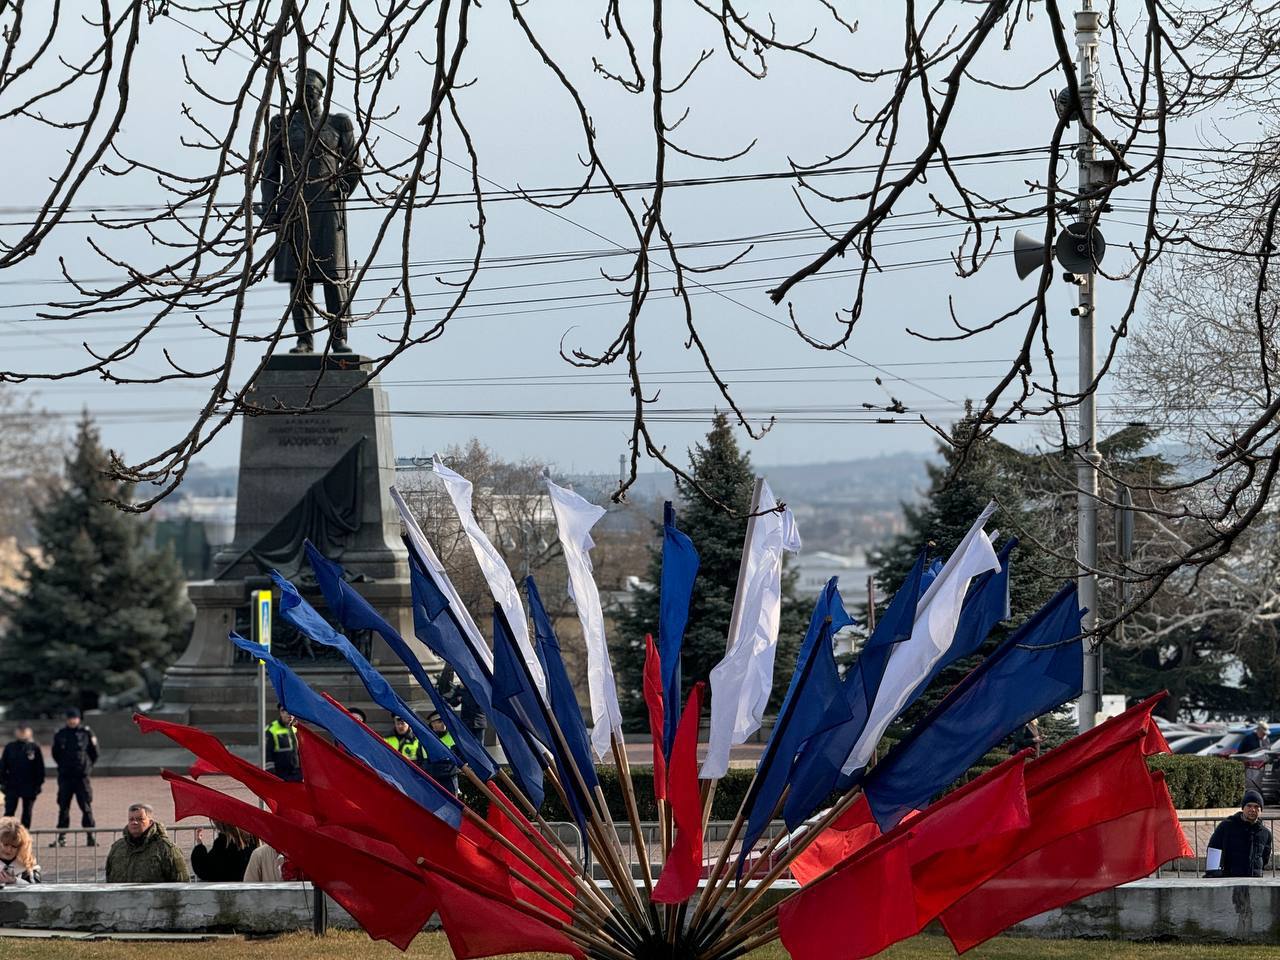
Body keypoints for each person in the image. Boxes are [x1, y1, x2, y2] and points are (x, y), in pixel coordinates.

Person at [258, 67, 363, 353]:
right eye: (300, 91)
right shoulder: (282, 125)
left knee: (333, 276)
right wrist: (271, 208)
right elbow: (269, 170)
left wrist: (343, 186)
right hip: (293, 208)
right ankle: (304, 339)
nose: (304, 97)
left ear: (320, 93)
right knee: (298, 277)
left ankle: (338, 337)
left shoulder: (338, 124)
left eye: (310, 91)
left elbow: (354, 165)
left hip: (328, 210)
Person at [104, 803, 189, 883]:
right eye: (131, 819)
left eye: (140, 819)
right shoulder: (117, 848)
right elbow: (109, 880)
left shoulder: (166, 849)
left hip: (156, 898)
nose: (134, 822)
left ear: (150, 822)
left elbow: (182, 883)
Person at [50, 708, 98, 847]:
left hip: (81, 777)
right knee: (63, 807)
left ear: (79, 719)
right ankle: (61, 837)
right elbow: (56, 753)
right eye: (70, 718)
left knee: (86, 807)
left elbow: (94, 753)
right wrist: (64, 766)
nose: (72, 720)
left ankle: (90, 836)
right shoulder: (60, 734)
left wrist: (86, 768)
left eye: (75, 718)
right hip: (65, 777)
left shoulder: (86, 733)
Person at [1206, 789, 1273, 878]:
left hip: (1254, 880)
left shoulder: (1265, 833)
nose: (1252, 809)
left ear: (1261, 810)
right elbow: (1214, 849)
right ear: (1243, 808)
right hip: (1230, 880)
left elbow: (1265, 858)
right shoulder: (1226, 826)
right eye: (1249, 806)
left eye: (1257, 806)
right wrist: (1212, 874)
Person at [1, 724, 45, 828]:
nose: (22, 733)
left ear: (30, 732)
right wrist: (3, 783)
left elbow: (40, 768)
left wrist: (38, 784)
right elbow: (2, 766)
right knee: (9, 813)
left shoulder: (34, 747)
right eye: (20, 731)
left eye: (25, 731)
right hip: (12, 785)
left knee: (27, 812)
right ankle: (6, 835)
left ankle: (24, 836)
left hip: (29, 785)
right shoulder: (10, 747)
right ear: (16, 732)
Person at [190, 821, 259, 882]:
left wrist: (199, 845)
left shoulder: (222, 843)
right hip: (246, 890)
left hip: (227, 892)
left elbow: (205, 870)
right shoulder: (251, 839)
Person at [423, 710, 460, 796]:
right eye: (439, 722)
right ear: (432, 724)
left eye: (444, 721)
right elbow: (423, 760)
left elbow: (459, 758)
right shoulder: (426, 739)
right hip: (433, 777)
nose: (443, 724)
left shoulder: (453, 737)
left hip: (449, 778)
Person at [265, 705, 302, 782]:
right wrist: (271, 774)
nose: (290, 715)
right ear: (281, 712)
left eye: (292, 712)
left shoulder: (295, 728)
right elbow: (267, 754)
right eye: (287, 712)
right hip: (280, 775)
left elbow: (299, 751)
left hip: (296, 774)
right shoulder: (271, 729)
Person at [0, 818, 41, 885]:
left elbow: (37, 889)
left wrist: (14, 881)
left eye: (14, 846)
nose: (9, 850)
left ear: (21, 847)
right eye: (5, 845)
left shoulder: (27, 864)